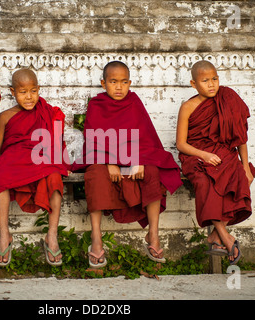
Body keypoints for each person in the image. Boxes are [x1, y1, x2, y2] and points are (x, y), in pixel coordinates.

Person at [72, 61, 183, 268]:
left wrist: (140, 160)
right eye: (113, 82)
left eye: (124, 82)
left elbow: (145, 136)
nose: (119, 87)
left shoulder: (133, 102)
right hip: (103, 158)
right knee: (95, 174)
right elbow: (93, 137)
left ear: (130, 83)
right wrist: (109, 162)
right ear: (103, 83)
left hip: (133, 156)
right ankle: (96, 238)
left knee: (151, 170)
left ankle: (153, 234)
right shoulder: (97, 105)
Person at [176, 60, 255, 264]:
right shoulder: (188, 107)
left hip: (224, 153)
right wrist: (203, 155)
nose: (211, 84)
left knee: (241, 177)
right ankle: (226, 237)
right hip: (195, 155)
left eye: (214, 79)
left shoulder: (228, 98)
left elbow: (240, 136)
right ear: (194, 84)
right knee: (204, 182)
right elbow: (181, 144)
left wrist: (245, 165)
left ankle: (214, 236)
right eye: (205, 80)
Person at [0, 69, 69, 267]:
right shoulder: (5, 116)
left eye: (33, 91)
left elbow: (55, 142)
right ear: (12, 92)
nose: (29, 96)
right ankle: (4, 234)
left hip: (40, 156)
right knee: (0, 179)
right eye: (23, 92)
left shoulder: (47, 112)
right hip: (14, 158)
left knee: (55, 177)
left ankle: (52, 234)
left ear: (39, 89)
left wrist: (59, 161)